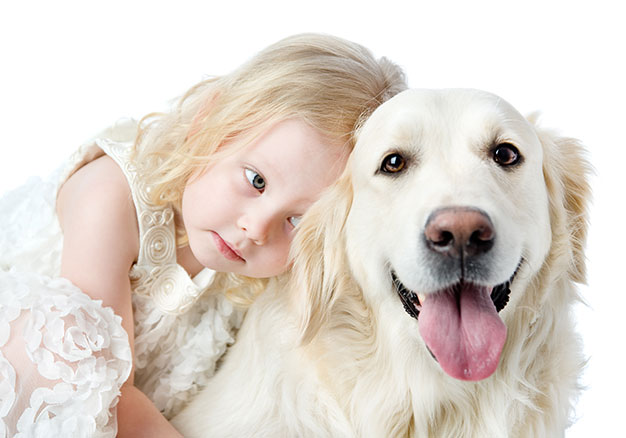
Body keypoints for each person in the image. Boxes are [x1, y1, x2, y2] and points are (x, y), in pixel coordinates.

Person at [0, 33, 407, 437]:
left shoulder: (259, 262)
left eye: (298, 222)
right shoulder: (109, 199)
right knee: (52, 345)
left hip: (127, 406)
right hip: (45, 369)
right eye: (256, 180)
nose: (256, 229)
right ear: (209, 123)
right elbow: (97, 389)